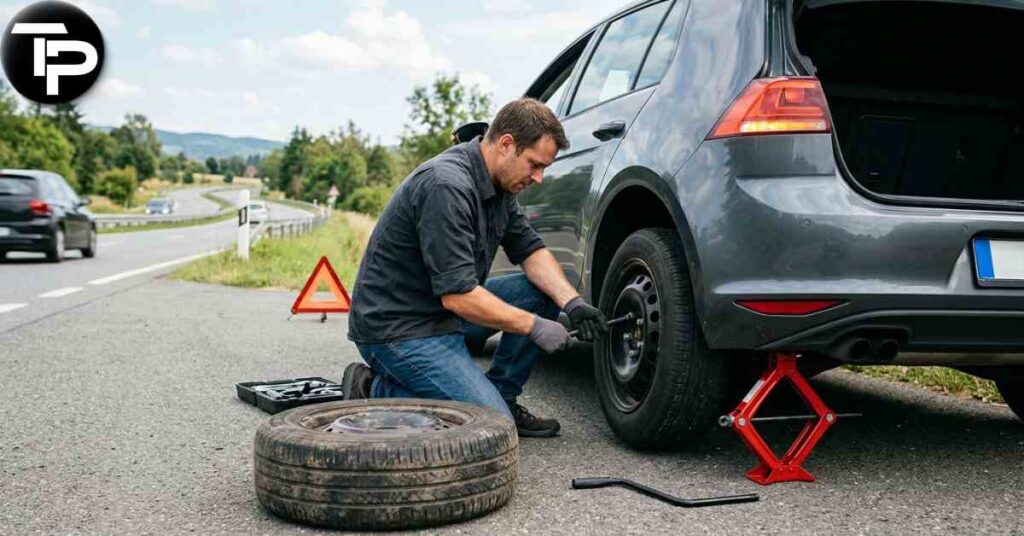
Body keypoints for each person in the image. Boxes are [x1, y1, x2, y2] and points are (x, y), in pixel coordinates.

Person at [342, 98, 608, 437]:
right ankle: (371, 387)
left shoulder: (499, 187)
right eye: (534, 164)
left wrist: (573, 303)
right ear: (506, 144)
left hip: (441, 313)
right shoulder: (446, 186)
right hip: (398, 327)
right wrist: (533, 326)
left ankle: (503, 397)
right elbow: (459, 296)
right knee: (489, 422)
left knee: (541, 293)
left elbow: (532, 252)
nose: (539, 178)